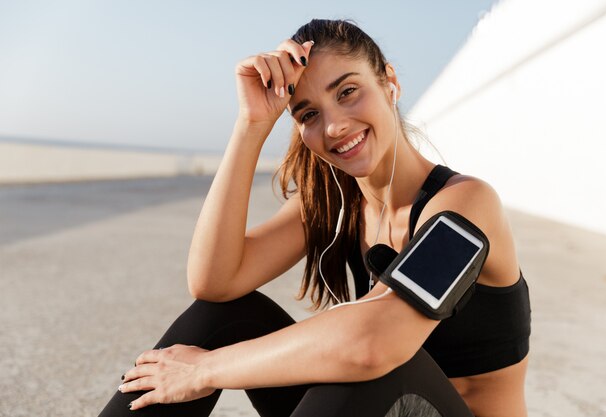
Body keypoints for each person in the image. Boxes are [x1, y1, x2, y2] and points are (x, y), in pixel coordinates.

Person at [99, 19, 531, 417]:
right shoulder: (335, 205)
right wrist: (251, 124)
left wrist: (204, 370)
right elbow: (215, 281)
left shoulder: (466, 204)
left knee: (375, 357)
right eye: (309, 114)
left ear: (390, 84)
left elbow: (371, 345)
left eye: (347, 92)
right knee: (228, 314)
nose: (334, 127)